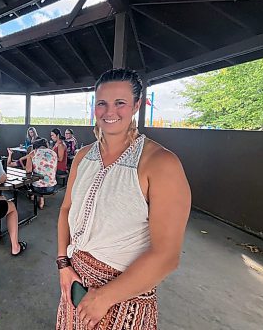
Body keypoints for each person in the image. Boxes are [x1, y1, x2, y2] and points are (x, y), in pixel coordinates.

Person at [56, 69, 191, 329]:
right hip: (74, 282)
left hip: (126, 295)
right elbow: (66, 209)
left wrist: (105, 296)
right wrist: (63, 264)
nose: (110, 112)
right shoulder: (83, 157)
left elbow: (166, 255)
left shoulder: (161, 163)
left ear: (136, 106)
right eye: (102, 103)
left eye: (120, 103)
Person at [25, 138, 58, 209]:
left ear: (35, 147)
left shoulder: (33, 153)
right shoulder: (54, 153)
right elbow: (54, 170)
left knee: (29, 179)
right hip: (51, 187)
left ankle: (33, 196)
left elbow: (28, 171)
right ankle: (41, 199)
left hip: (37, 188)